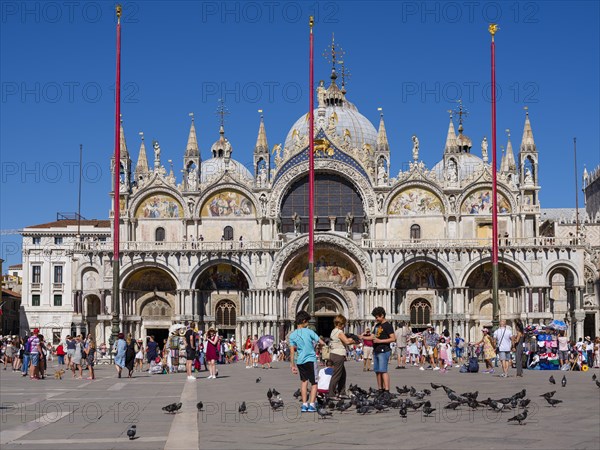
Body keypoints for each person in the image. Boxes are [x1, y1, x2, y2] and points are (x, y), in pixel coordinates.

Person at [288, 310, 326, 413]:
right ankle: (312, 405)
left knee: (304, 382)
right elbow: (322, 342)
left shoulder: (292, 335)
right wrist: (318, 345)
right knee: (314, 383)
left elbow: (292, 352)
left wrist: (292, 365)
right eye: (307, 322)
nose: (308, 324)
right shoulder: (310, 332)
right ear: (304, 321)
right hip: (310, 360)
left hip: (300, 361)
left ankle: (304, 405)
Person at [360, 307, 395, 393]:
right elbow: (372, 336)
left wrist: (380, 341)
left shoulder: (388, 326)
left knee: (383, 370)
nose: (376, 319)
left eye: (377, 317)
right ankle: (380, 389)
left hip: (384, 350)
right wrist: (362, 337)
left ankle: (387, 390)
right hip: (376, 350)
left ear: (382, 315)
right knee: (377, 371)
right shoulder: (377, 325)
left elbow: (393, 338)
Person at [328, 314, 356, 399]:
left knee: (343, 374)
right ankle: (331, 394)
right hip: (338, 355)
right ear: (341, 324)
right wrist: (354, 340)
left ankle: (342, 392)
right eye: (344, 324)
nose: (344, 326)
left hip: (333, 354)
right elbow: (347, 342)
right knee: (337, 375)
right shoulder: (339, 332)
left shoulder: (333, 331)